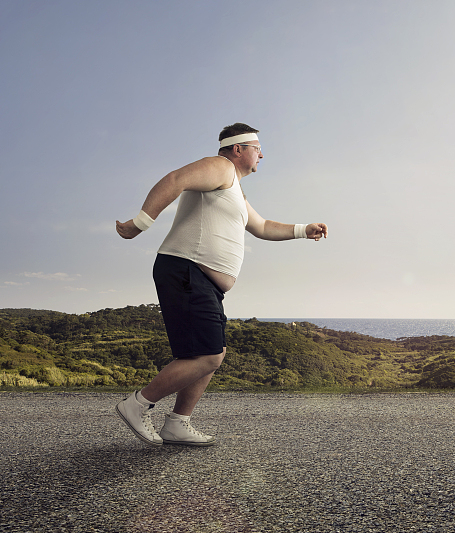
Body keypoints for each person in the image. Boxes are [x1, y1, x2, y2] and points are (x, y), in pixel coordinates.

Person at [114, 123, 327, 447]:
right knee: (209, 355)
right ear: (237, 148)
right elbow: (175, 179)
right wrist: (139, 224)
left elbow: (263, 226)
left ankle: (178, 423)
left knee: (211, 352)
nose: (262, 154)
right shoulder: (220, 167)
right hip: (186, 270)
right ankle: (138, 404)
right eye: (257, 147)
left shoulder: (234, 190)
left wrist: (303, 229)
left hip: (200, 280)